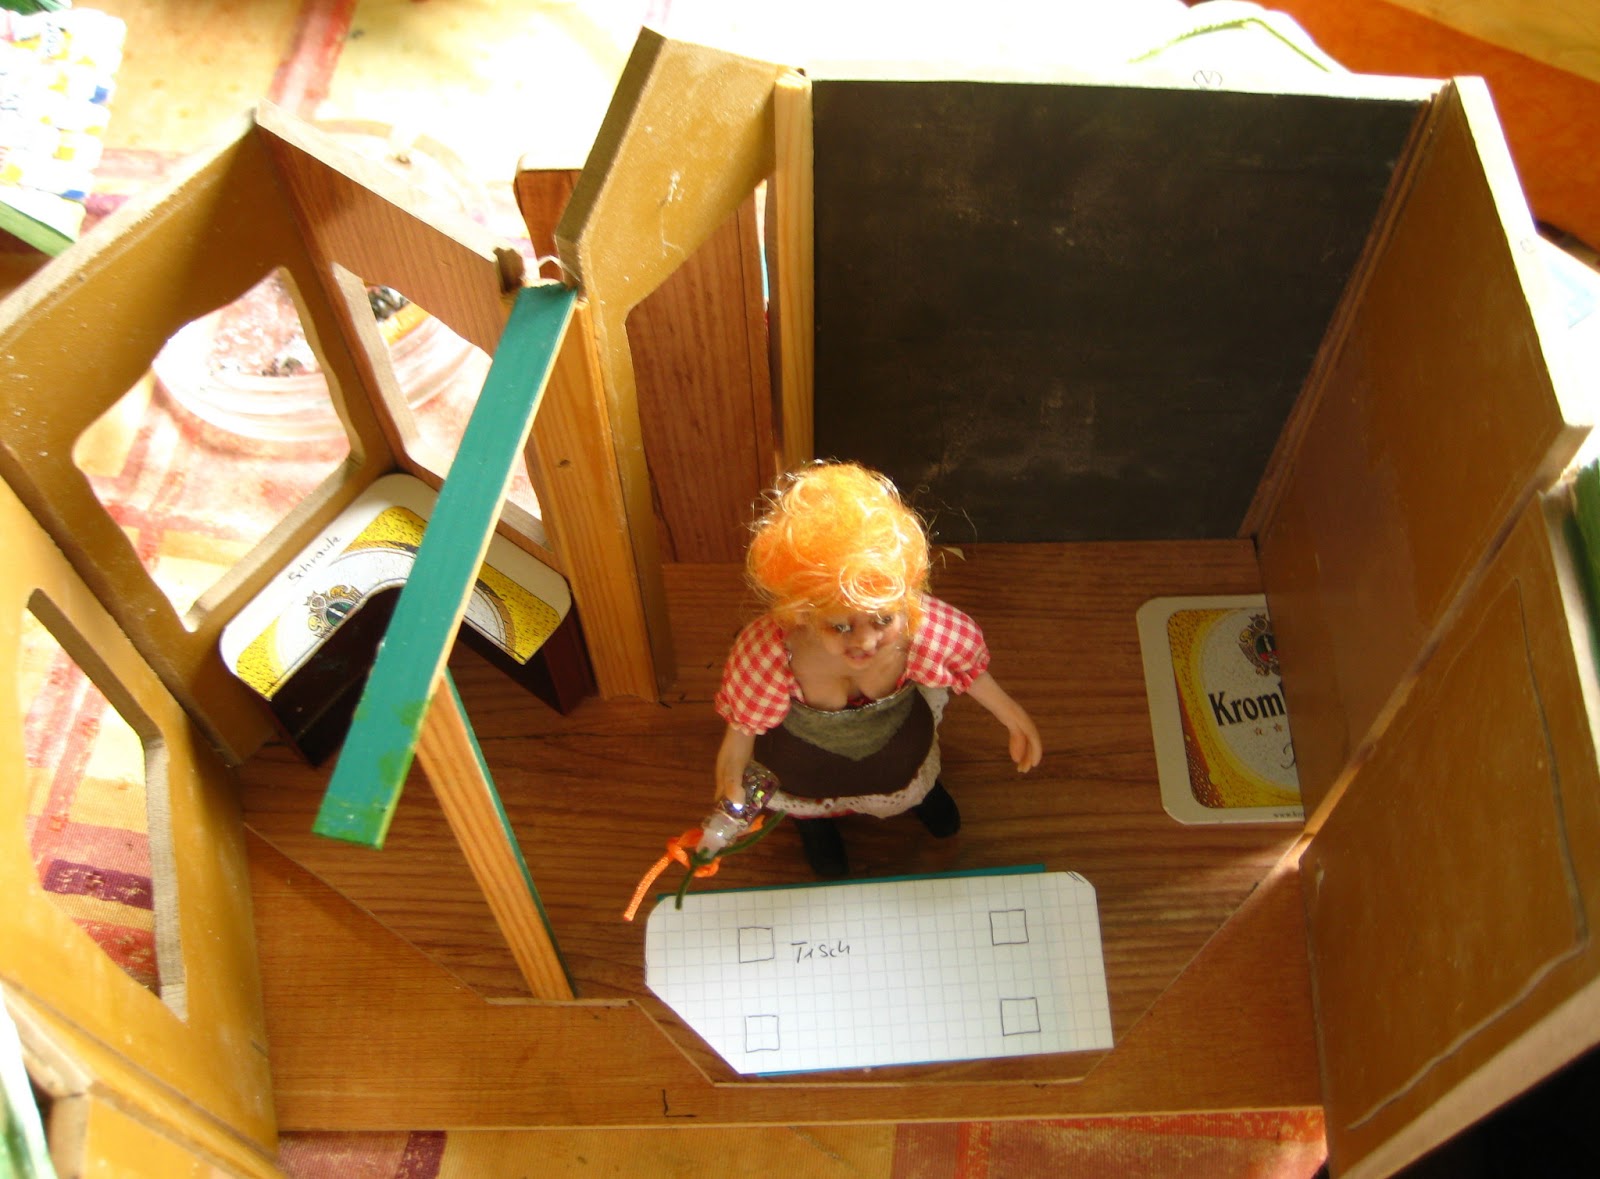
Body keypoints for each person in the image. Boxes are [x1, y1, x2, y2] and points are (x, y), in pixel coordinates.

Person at [713, 461, 1043, 876]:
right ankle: (814, 826)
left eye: (883, 620)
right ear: (802, 614)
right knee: (807, 792)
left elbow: (969, 670)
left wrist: (1014, 717)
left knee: (907, 774)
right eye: (840, 626)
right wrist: (730, 781)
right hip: (806, 768)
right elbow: (740, 732)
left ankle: (921, 795)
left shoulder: (922, 630)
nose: (866, 642)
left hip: (897, 753)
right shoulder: (770, 652)